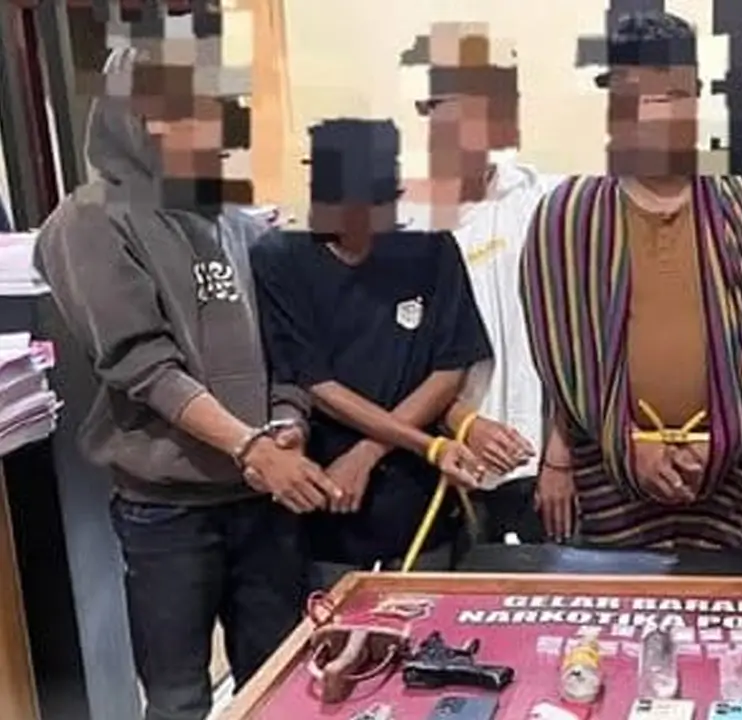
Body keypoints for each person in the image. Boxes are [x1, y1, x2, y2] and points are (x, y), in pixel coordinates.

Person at [34, 18, 340, 720]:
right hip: (169, 510)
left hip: (262, 500)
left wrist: (287, 422)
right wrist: (250, 446)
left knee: (277, 680)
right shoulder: (90, 221)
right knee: (177, 699)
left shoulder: (236, 221)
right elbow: (144, 367)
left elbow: (287, 349)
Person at [521, 11, 742, 548]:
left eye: (676, 95)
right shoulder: (567, 219)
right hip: (611, 480)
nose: (659, 113)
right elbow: (565, 361)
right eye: (640, 95)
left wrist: (721, 439)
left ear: (699, 99)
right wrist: (618, 446)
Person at [252, 119, 489, 589]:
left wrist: (370, 451)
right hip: (326, 497)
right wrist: (424, 444)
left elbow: (449, 369)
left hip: (419, 498)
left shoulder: (430, 249)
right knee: (337, 625)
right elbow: (314, 382)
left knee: (426, 619)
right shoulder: (280, 256)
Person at [400, 25, 564, 543]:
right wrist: (463, 424)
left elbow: (580, 341)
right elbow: (397, 359)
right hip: (445, 460)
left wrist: (562, 455)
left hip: (550, 465)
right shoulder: (404, 222)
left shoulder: (544, 201)